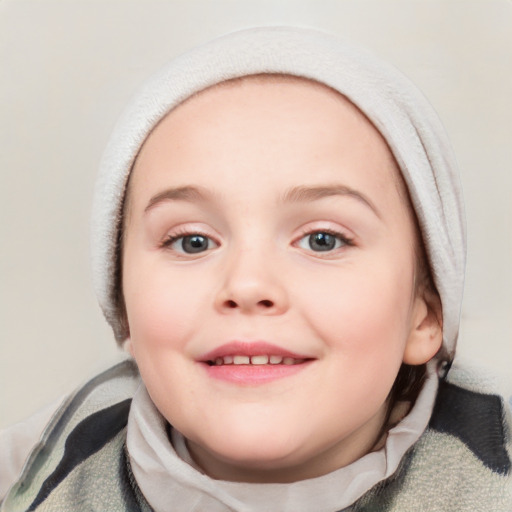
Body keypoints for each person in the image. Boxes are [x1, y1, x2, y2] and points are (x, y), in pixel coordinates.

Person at [1, 26, 510, 511]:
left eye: (322, 239)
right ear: (125, 309)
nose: (247, 285)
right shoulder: (31, 480)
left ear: (425, 315)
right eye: (193, 242)